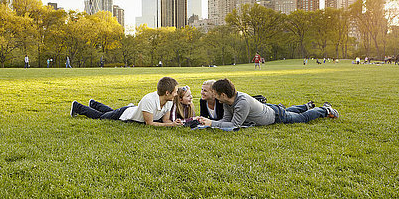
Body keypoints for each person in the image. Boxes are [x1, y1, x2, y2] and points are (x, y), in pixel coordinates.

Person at [197, 78, 339, 130]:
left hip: (275, 116)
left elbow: (234, 125)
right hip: (269, 109)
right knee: (291, 111)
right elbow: (226, 121)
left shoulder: (242, 103)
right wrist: (210, 123)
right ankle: (306, 106)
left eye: (215, 93)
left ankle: (324, 110)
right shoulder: (226, 102)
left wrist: (212, 123)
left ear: (222, 95)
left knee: (302, 118)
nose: (213, 96)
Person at [70, 77, 183, 127]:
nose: (176, 94)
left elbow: (165, 120)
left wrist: (174, 123)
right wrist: (171, 125)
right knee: (102, 117)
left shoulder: (169, 101)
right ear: (167, 92)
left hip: (132, 109)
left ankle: (94, 104)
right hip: (125, 114)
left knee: (109, 112)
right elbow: (150, 124)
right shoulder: (149, 100)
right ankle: (78, 107)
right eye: (175, 92)